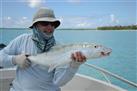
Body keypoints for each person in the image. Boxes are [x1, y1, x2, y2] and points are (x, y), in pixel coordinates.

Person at [0, 7, 86, 91]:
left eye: (53, 24)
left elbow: (59, 82)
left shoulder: (59, 47)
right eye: (45, 23)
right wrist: (14, 60)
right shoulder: (22, 40)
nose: (50, 27)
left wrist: (74, 66)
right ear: (35, 26)